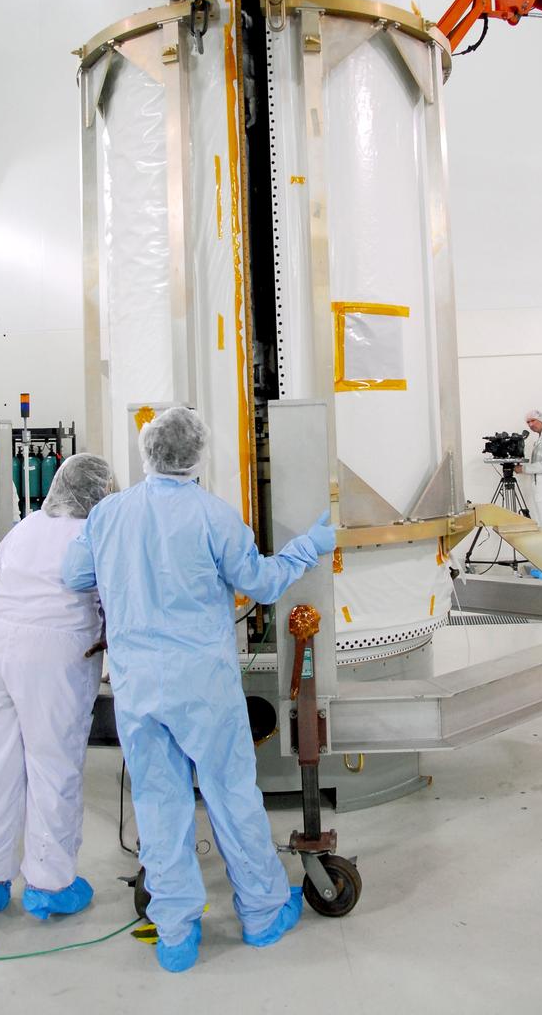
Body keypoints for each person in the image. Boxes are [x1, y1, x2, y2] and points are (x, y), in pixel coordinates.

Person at [62, 406, 337, 974]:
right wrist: (309, 546)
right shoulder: (214, 516)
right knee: (232, 794)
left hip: (138, 689)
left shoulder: (109, 514)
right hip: (203, 688)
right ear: (198, 456)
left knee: (158, 805)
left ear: (146, 452)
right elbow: (260, 582)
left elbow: (73, 576)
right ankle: (262, 913)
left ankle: (176, 934)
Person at [0, 453, 112, 919]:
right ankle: (49, 883)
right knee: (52, 764)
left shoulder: (23, 529)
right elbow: (113, 597)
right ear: (99, 494)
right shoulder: (95, 535)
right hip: (53, 657)